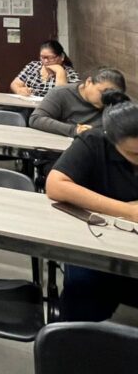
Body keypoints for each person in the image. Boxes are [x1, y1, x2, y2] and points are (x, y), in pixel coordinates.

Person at [45, 98, 138, 321]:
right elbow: (56, 185)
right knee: (84, 289)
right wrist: (128, 211)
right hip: (98, 240)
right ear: (112, 141)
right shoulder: (94, 141)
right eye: (134, 154)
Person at [29, 67, 127, 136]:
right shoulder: (61, 93)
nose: (106, 98)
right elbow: (36, 119)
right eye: (103, 92)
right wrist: (74, 130)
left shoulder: (114, 103)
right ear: (89, 82)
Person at [11, 40, 79, 98]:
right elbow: (15, 84)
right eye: (43, 57)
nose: (46, 61)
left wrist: (60, 71)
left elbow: (61, 96)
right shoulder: (33, 66)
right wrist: (19, 90)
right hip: (27, 105)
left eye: (50, 58)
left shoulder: (71, 74)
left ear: (62, 57)